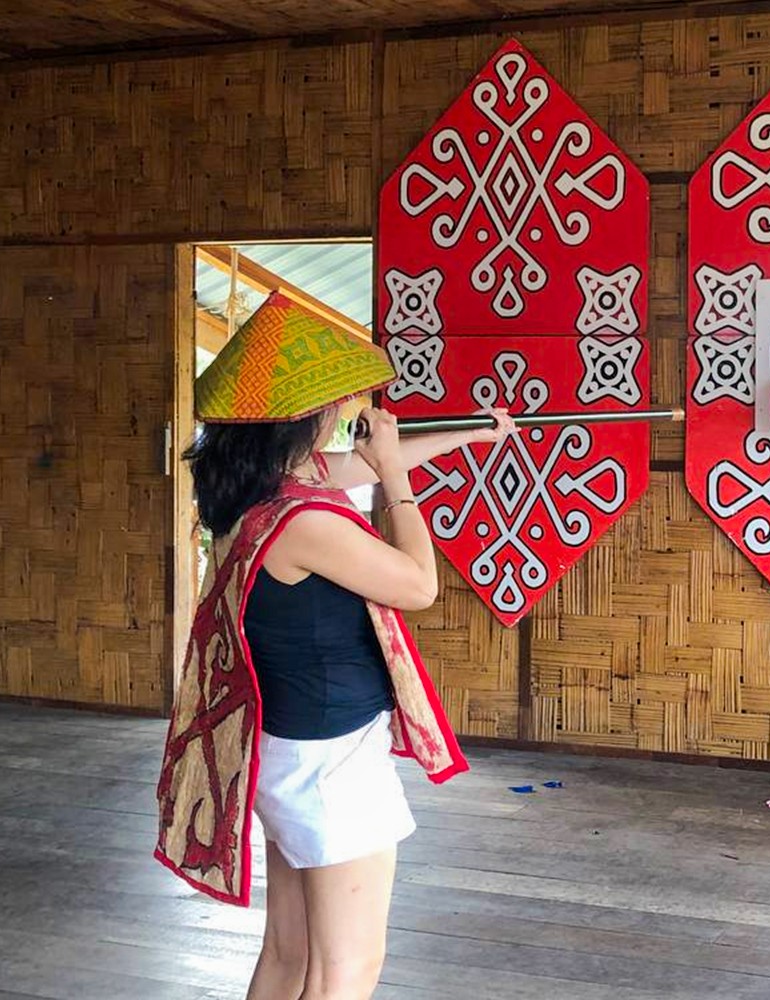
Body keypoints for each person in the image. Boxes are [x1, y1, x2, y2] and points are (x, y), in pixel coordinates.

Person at [152, 292, 513, 1000]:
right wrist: (401, 479)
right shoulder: (303, 523)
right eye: (333, 408)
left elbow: (356, 467)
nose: (340, 419)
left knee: (290, 956)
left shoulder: (251, 497)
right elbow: (416, 584)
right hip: (332, 768)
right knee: (347, 969)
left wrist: (468, 435)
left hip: (289, 751)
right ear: (302, 421)